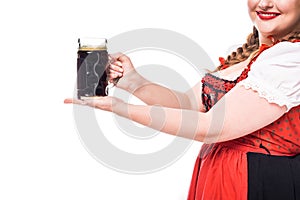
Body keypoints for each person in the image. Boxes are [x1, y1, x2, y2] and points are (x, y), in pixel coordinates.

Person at [65, 0, 300, 199]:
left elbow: (211, 127)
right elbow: (186, 104)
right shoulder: (252, 58)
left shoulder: (291, 59)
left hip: (258, 181)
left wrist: (121, 108)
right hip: (220, 175)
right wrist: (132, 81)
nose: (266, 2)